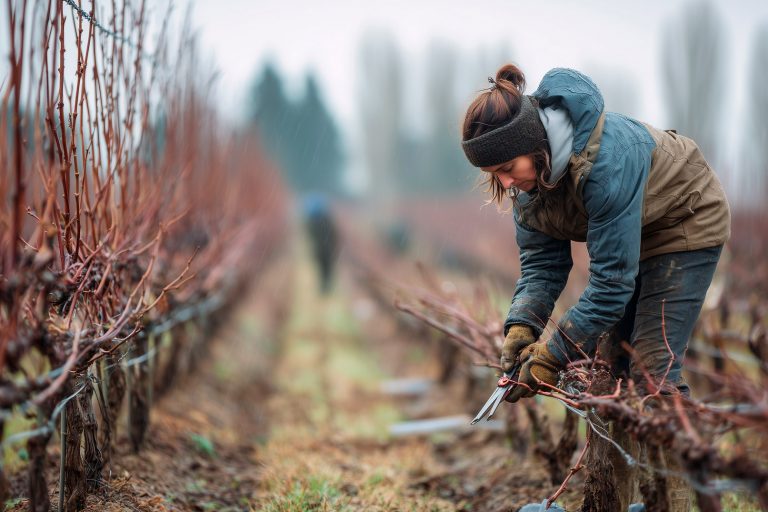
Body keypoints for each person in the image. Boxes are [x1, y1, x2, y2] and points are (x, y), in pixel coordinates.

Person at [460, 65, 730, 511]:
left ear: (534, 145)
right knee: (610, 369)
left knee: (653, 368)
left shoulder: (605, 162)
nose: (506, 183)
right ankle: (615, 500)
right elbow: (543, 267)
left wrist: (552, 355)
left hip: (685, 221)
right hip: (636, 232)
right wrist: (522, 328)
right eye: (495, 174)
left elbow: (610, 285)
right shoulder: (528, 185)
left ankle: (683, 501)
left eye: (508, 168)